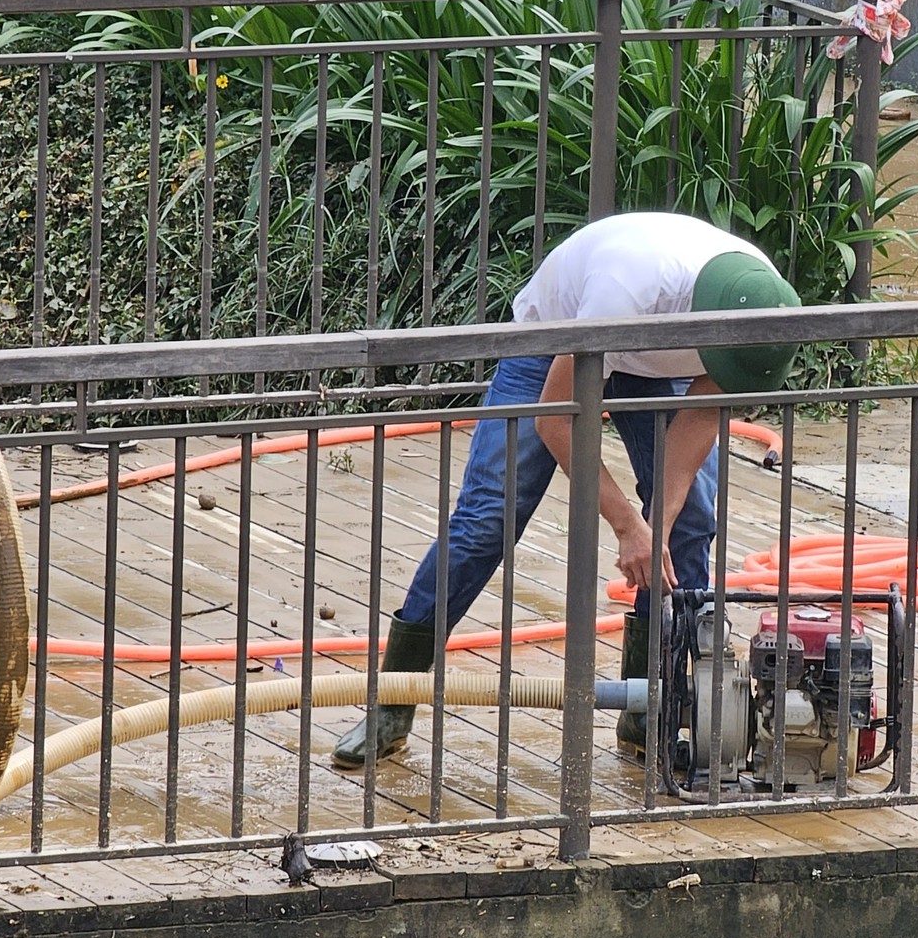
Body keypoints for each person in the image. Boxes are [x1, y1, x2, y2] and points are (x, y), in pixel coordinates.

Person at [332, 211, 801, 767]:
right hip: (552, 345)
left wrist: (663, 528)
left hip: (661, 361)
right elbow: (556, 422)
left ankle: (650, 708)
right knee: (487, 520)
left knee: (693, 522)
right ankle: (393, 703)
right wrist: (628, 526)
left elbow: (701, 412)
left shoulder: (763, 307)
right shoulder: (625, 286)